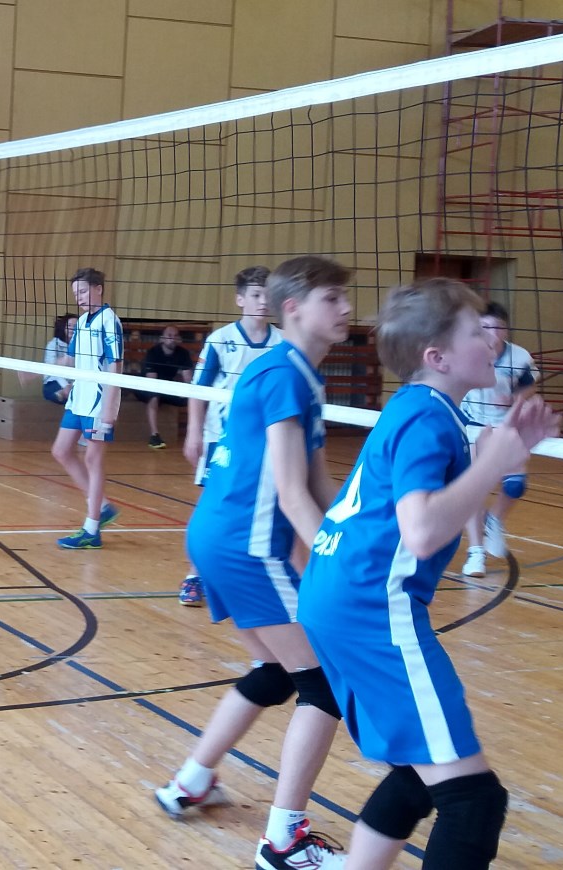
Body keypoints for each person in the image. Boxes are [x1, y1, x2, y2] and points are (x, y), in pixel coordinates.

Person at [298, 279, 559, 869]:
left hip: (337, 595)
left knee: (419, 774)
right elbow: (419, 530)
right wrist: (492, 463)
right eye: (476, 332)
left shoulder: (422, 408)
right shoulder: (427, 419)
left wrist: (495, 452)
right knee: (474, 800)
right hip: (371, 606)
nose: (491, 341)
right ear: (437, 357)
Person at [151, 256, 354, 869]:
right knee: (324, 683)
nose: (347, 308)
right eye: (332, 298)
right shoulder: (285, 376)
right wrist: (339, 569)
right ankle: (284, 841)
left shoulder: (296, 373)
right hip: (245, 546)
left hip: (218, 537)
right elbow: (292, 497)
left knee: (274, 670)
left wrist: (358, 535)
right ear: (294, 308)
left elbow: (317, 485)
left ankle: (191, 780)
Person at [179, 265, 283, 606]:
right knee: (214, 505)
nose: (263, 301)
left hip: (267, 442)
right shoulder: (220, 339)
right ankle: (195, 575)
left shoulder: (283, 342)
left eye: (267, 295)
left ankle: (256, 573)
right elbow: (198, 390)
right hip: (221, 439)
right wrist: (193, 433)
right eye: (256, 295)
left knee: (267, 506)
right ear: (240, 300)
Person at [457, 302, 539, 578]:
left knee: (515, 485)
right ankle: (475, 552)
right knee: (474, 489)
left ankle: (494, 519)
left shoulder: (519, 356)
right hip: (472, 425)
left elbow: (529, 386)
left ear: (505, 329)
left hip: (505, 425)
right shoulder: (466, 350)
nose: (492, 332)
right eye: (485, 327)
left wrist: (515, 398)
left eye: (498, 327)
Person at [51, 268, 122, 550]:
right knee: (61, 451)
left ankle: (92, 529)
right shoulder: (81, 322)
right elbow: (70, 359)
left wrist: (109, 410)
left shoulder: (109, 320)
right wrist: (33, 370)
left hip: (98, 401)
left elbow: (115, 366)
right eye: (75, 293)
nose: (78, 297)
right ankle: (102, 507)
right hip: (78, 398)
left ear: (98, 289)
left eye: (82, 291)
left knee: (93, 459)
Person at [137, 325, 195, 449]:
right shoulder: (153, 352)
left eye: (175, 336)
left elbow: (188, 379)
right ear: (162, 338)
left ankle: (194, 433)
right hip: (148, 387)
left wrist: (186, 391)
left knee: (194, 399)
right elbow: (152, 382)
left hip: (168, 387)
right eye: (169, 336)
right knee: (154, 396)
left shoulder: (183, 353)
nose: (172, 339)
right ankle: (154, 436)